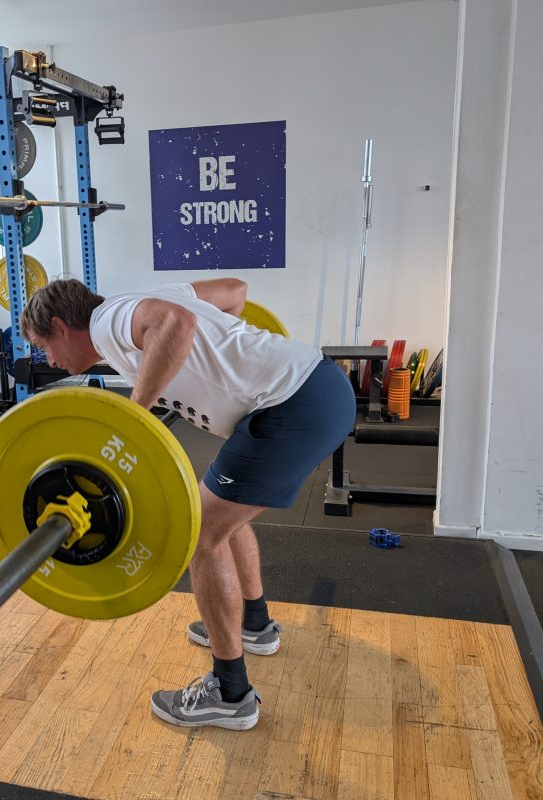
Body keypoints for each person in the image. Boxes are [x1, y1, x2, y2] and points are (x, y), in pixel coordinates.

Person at [20, 277, 356, 731]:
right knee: (220, 511)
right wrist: (221, 360)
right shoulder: (136, 298)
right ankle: (252, 624)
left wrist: (137, 413)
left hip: (288, 408)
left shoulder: (106, 322)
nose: (51, 361)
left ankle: (230, 692)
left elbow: (176, 322)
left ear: (61, 326)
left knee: (199, 534)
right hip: (318, 386)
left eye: (45, 347)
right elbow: (235, 292)